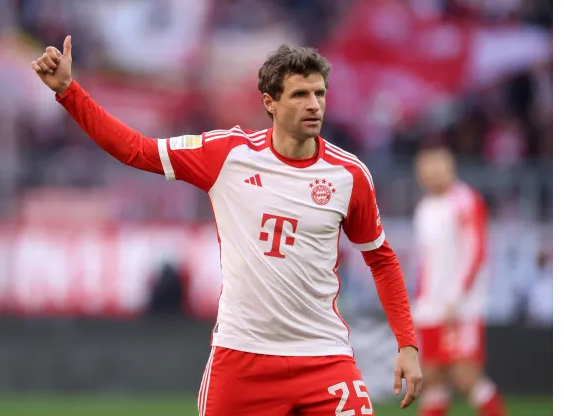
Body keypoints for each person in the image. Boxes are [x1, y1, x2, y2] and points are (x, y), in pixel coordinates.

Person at [31, 35, 422, 415]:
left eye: (319, 93)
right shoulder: (228, 155)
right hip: (243, 357)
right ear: (269, 102)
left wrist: (407, 344)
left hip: (323, 355)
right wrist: (68, 91)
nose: (313, 105)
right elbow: (136, 149)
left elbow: (381, 260)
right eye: (300, 95)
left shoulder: (348, 175)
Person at [412, 147, 507, 416]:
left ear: (450, 169)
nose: (431, 176)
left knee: (466, 376)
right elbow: (425, 262)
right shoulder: (425, 207)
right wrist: (419, 300)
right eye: (425, 171)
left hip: (460, 306)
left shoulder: (465, 201)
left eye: (436, 169)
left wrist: (457, 297)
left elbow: (475, 252)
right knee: (432, 377)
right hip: (430, 306)